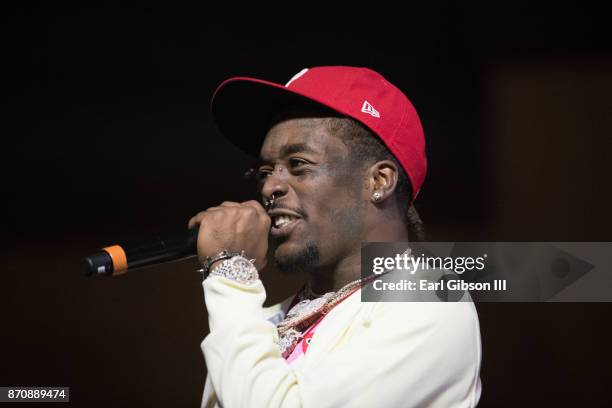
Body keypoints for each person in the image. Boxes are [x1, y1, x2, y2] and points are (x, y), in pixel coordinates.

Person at [188, 66, 482, 407]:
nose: (269, 186)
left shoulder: (430, 302)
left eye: (298, 164)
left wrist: (230, 272)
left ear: (379, 182)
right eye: (265, 171)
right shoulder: (263, 321)